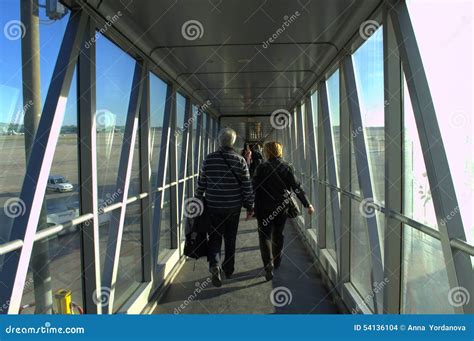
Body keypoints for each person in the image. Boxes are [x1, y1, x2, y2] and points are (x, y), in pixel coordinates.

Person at [195, 128, 254, 287]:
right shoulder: (240, 160)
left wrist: (197, 200)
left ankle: (214, 264)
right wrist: (249, 206)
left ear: (219, 141)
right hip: (233, 207)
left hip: (213, 206)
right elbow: (247, 186)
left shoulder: (209, 159)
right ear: (233, 142)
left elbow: (202, 184)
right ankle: (228, 269)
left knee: (214, 237)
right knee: (230, 238)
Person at [252, 141, 314, 281]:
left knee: (264, 236)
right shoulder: (287, 167)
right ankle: (277, 261)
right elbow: (296, 187)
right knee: (278, 233)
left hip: (263, 207)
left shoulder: (261, 167)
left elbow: (253, 187)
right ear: (279, 151)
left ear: (267, 152)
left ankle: (268, 264)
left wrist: (249, 206)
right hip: (281, 207)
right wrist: (307, 204)